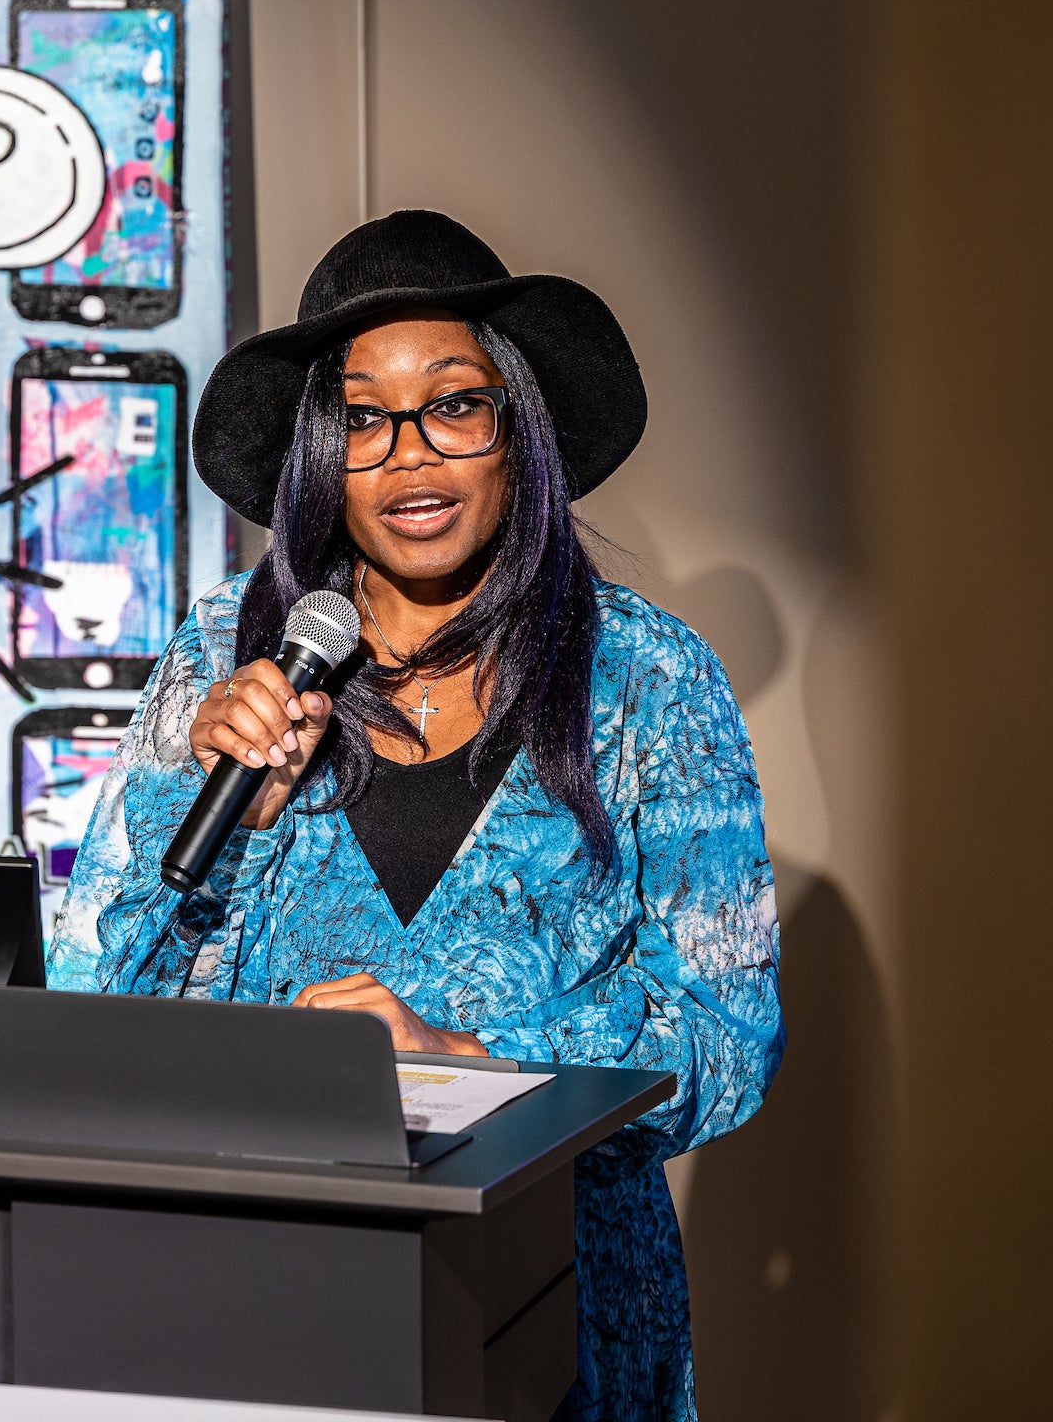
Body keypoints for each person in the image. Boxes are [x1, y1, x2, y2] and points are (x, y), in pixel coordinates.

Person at [50, 211, 781, 1422]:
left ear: (519, 427)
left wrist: (487, 1071)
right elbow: (94, 1012)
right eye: (364, 418)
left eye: (455, 404)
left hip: (562, 1308)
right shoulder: (220, 661)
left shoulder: (652, 681)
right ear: (319, 454)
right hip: (276, 1291)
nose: (409, 457)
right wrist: (215, 809)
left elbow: (731, 1042)